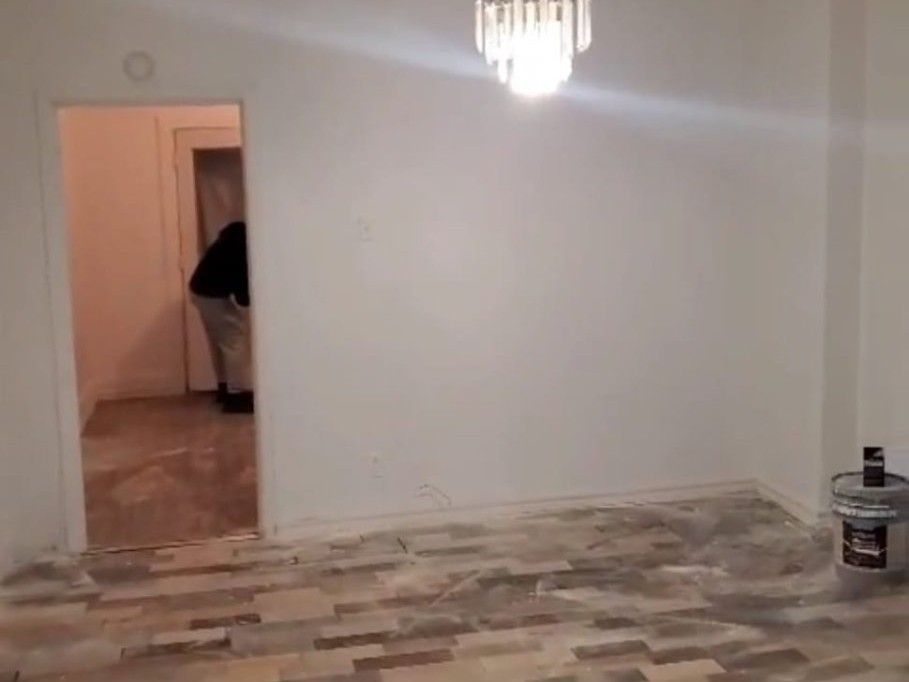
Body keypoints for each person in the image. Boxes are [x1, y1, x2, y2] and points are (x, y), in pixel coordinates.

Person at [189, 221, 254, 414]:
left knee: (225, 342)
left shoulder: (237, 234)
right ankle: (236, 396)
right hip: (211, 294)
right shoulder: (243, 247)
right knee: (234, 342)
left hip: (202, 290)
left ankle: (226, 388)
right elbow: (243, 296)